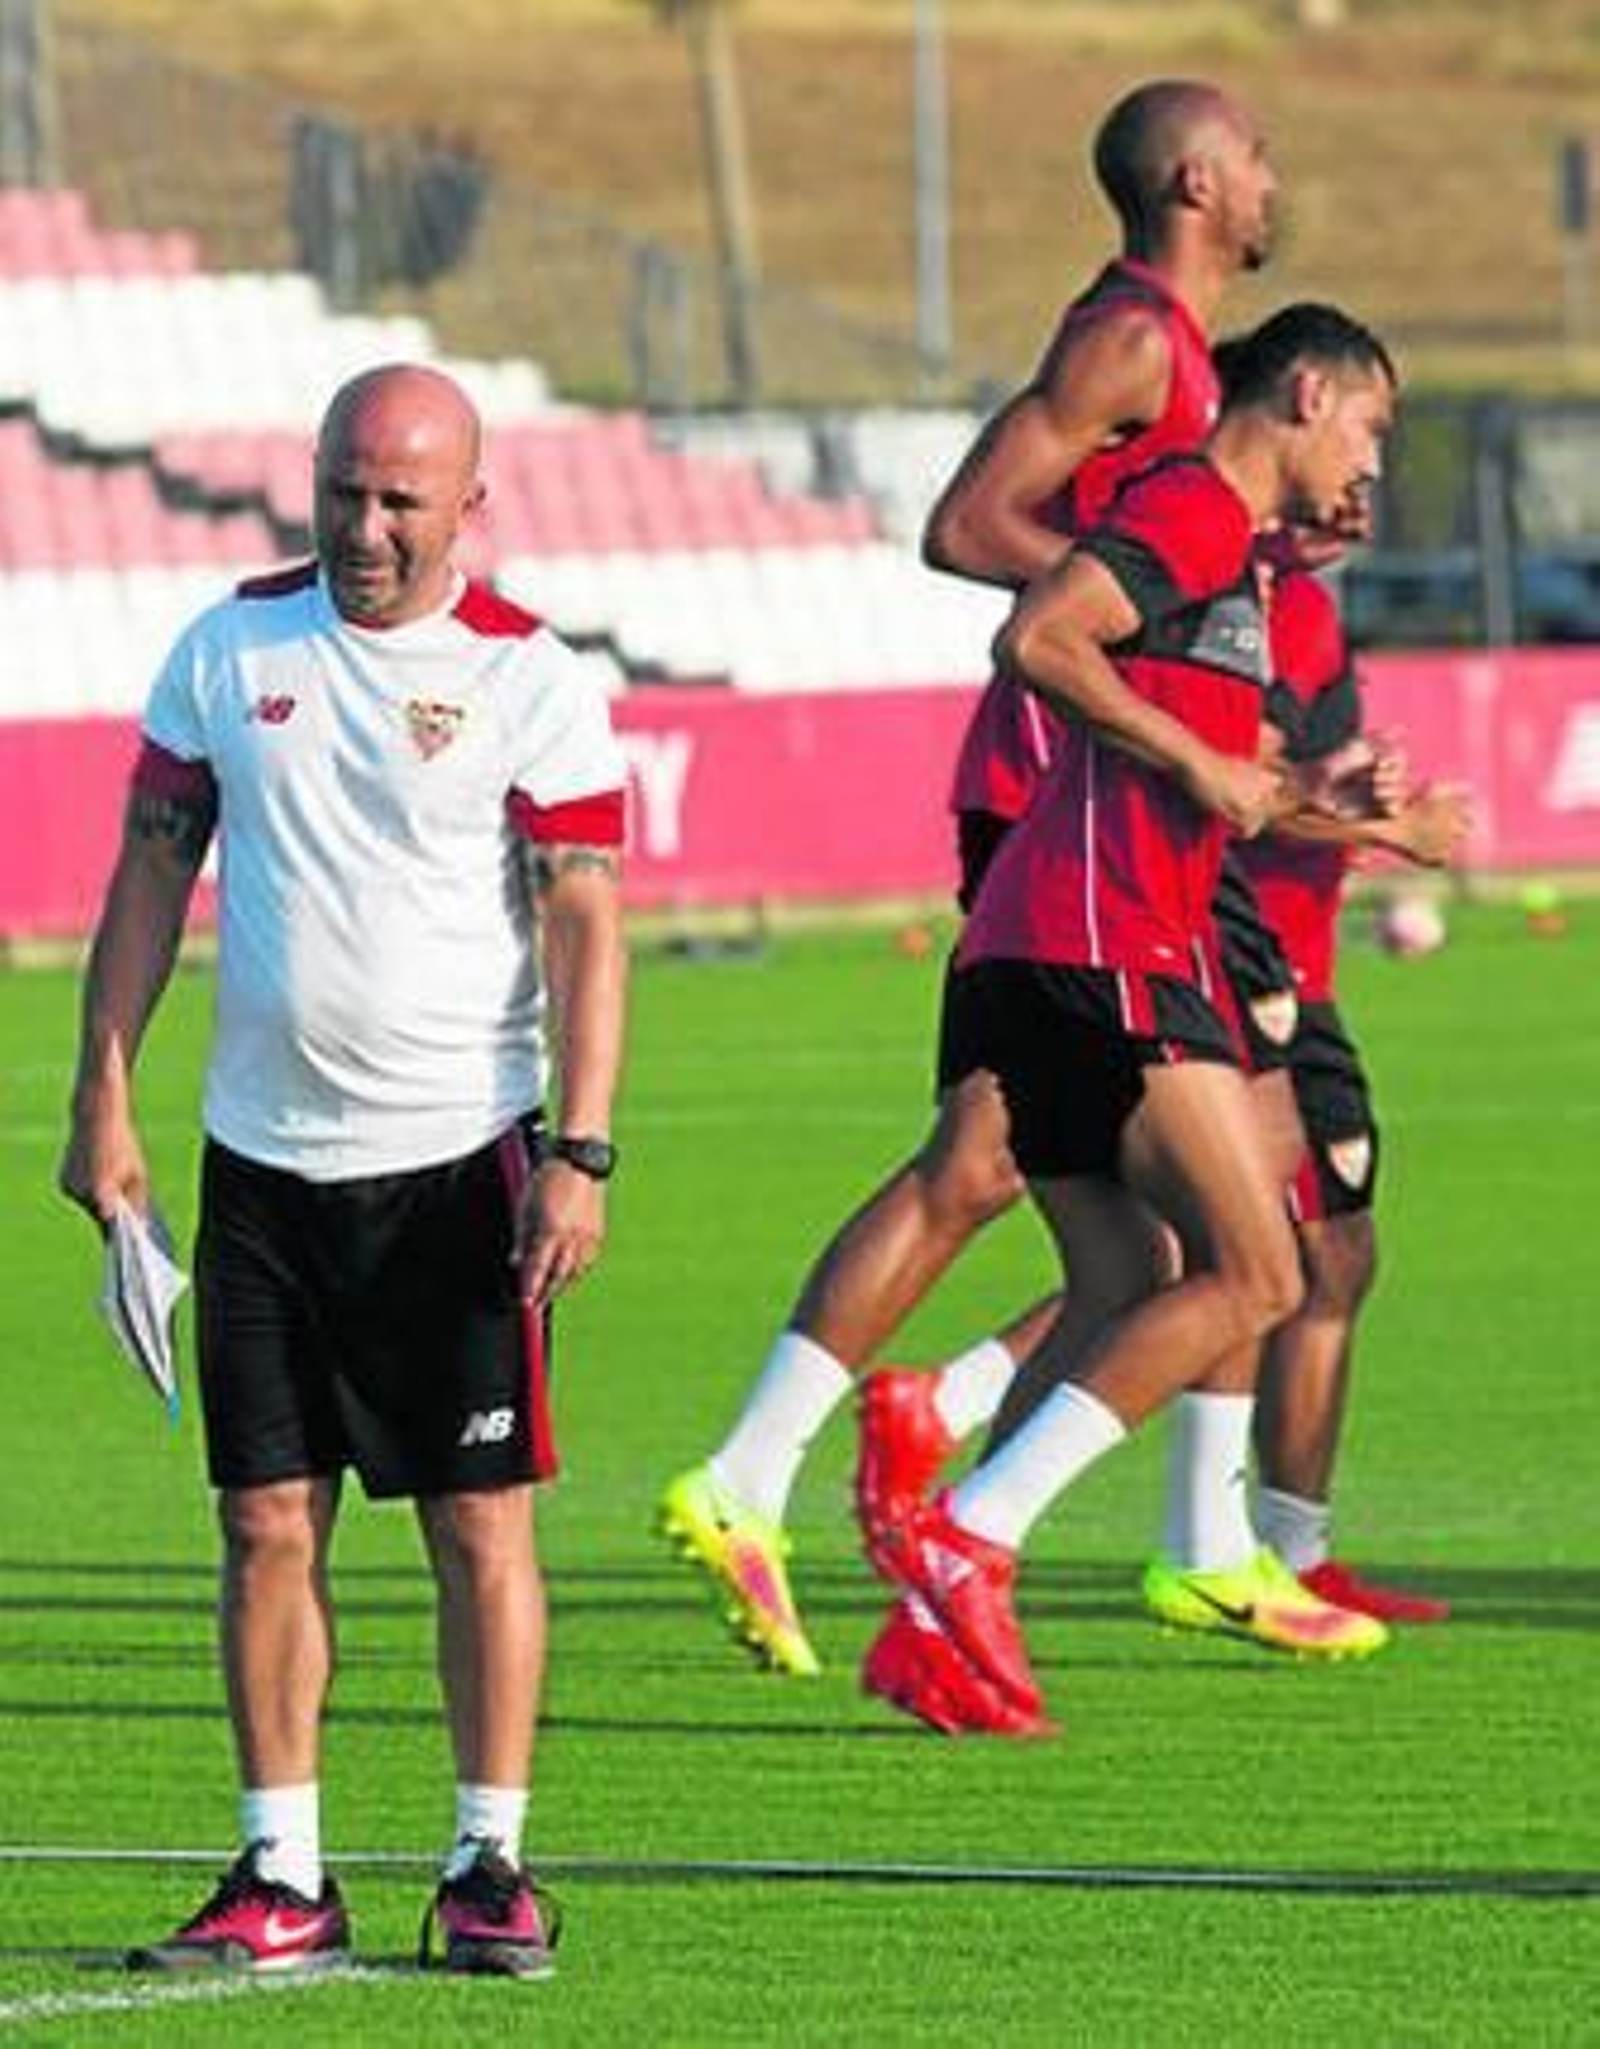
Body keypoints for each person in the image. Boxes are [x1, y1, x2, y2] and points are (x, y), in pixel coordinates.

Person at [657, 77, 1280, 1678]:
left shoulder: (1188, 358)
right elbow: (967, 523)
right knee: (1019, 1174)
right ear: (1201, 182)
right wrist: (1127, 597)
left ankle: (894, 1459)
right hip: (1048, 800)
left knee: (1109, 1228)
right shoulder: (1135, 336)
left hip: (1092, 798)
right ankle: (780, 1474)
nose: (1280, 182)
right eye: (1260, 158)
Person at [59, 363, 629, 1976]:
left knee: (477, 1524)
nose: (364, 527)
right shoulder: (228, 646)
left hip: (459, 1163)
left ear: (470, 505)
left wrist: (577, 1149)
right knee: (262, 1522)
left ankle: (488, 1857)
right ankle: (283, 1868)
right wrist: (104, 1094)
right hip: (260, 1170)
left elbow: (586, 920)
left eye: (399, 499)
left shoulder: (530, 677)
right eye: (341, 491)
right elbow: (151, 873)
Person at [863, 302, 1400, 1735]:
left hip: (1059, 944)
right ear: (1307, 392)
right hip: (1096, 944)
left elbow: (1201, 776)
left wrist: (1324, 811)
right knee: (1260, 1269)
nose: (1372, 459)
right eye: (1372, 425)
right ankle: (968, 1537)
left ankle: (935, 1615)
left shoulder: (1227, 561)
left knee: (1125, 1279)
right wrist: (1198, 760)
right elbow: (1040, 638)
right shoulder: (1196, 512)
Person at [1225, 535, 1471, 1620]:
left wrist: (1337, 787)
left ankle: (1286, 1549)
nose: (1363, 481)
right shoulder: (1206, 590)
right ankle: (943, 1445)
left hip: (1294, 967)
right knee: (1202, 1269)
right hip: (1233, 965)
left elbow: (1271, 785)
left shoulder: (1304, 614)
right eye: (1356, 436)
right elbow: (1223, 793)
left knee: (1318, 1256)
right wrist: (1385, 826)